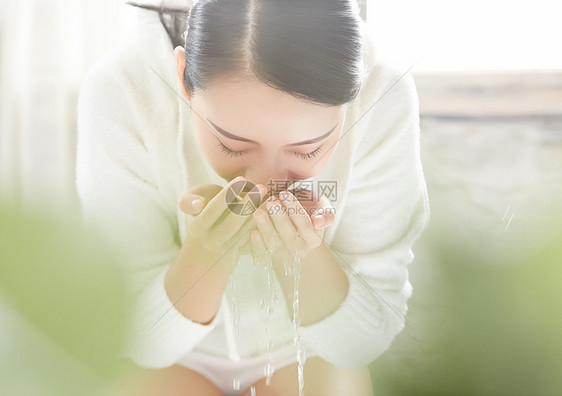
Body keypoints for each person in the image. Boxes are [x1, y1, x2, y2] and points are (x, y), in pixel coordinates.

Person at [75, 0, 430, 395]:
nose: (265, 182)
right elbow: (133, 337)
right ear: (183, 79)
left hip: (307, 356)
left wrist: (303, 255)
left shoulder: (384, 92)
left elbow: (361, 344)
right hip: (169, 364)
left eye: (307, 150)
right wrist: (205, 253)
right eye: (232, 145)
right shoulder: (124, 87)